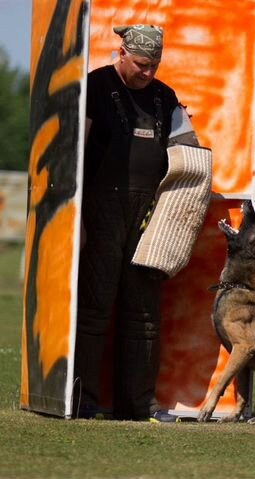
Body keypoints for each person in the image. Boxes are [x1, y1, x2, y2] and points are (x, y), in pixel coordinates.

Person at [74, 25, 199, 422]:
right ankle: (82, 399)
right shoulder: (95, 86)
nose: (148, 73)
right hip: (101, 206)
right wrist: (75, 217)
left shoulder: (165, 98)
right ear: (123, 52)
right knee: (95, 307)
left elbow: (190, 151)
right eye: (142, 64)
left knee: (144, 313)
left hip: (150, 213)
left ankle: (139, 405)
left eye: (154, 65)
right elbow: (75, 153)